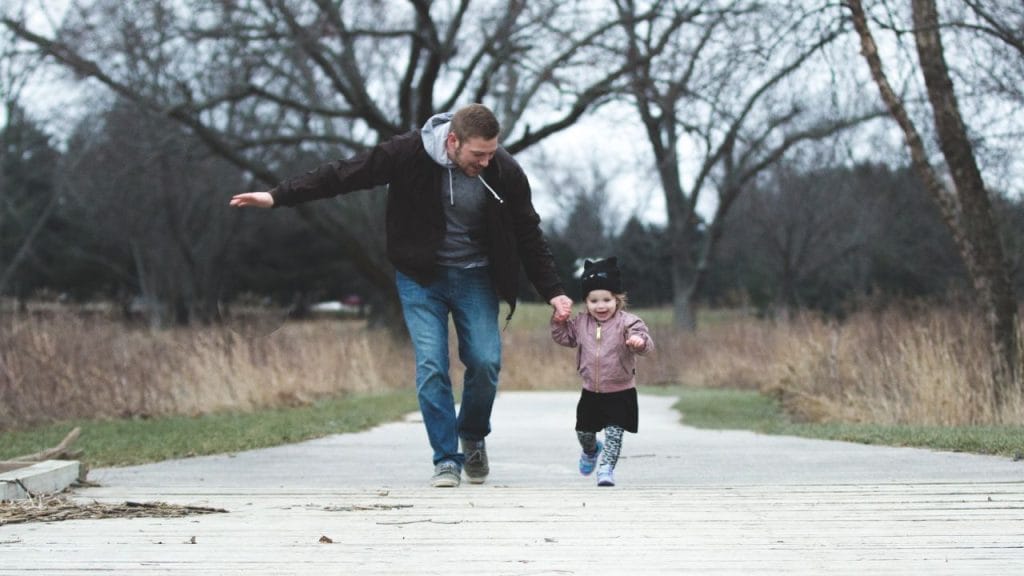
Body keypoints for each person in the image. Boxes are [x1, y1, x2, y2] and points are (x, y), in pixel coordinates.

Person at [231, 104, 573, 488]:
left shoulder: (503, 169)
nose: (486, 162)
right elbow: (345, 173)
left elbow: (528, 233)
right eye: (478, 154)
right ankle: (446, 459)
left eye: (491, 153)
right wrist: (278, 196)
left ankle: (473, 435)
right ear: (453, 141)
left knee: (485, 362)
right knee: (432, 365)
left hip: (475, 276)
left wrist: (554, 292)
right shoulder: (407, 152)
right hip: (420, 277)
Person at [550, 257, 653, 487]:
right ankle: (591, 450)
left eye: (607, 300)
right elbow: (564, 337)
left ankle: (606, 470)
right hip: (591, 392)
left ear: (617, 299)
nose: (601, 306)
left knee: (614, 435)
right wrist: (558, 321)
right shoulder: (580, 323)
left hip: (621, 391)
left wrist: (639, 341)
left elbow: (645, 341)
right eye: (594, 301)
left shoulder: (628, 323)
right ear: (586, 302)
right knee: (584, 433)